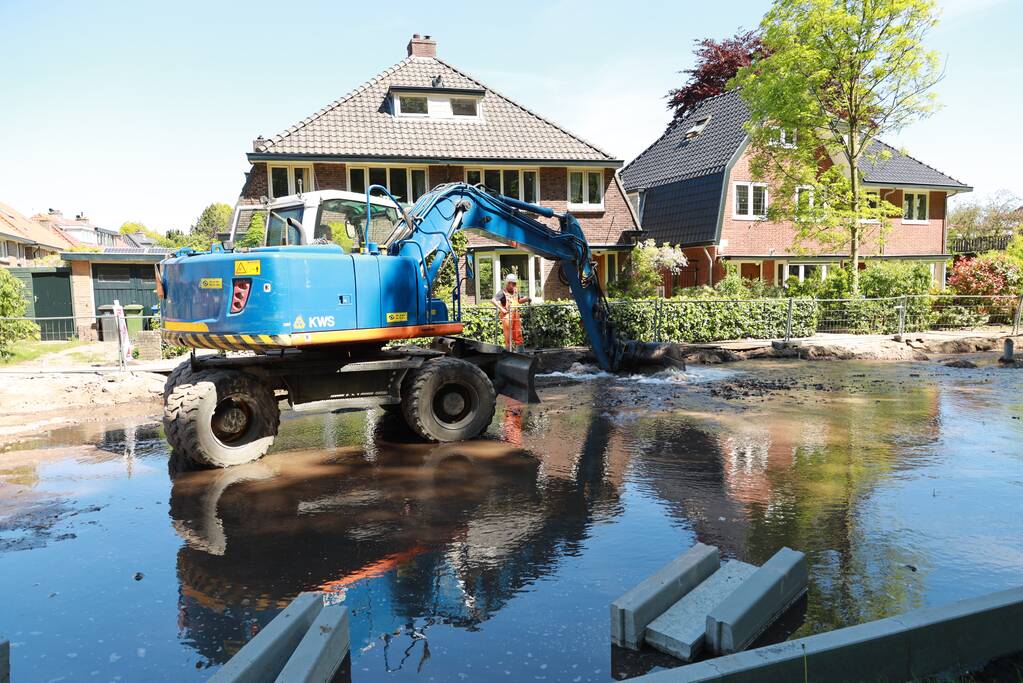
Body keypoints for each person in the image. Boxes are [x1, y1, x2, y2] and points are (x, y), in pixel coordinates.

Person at [492, 273, 530, 350]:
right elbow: (493, 300)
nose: (515, 285)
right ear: (508, 283)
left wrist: (526, 299)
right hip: (507, 316)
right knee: (508, 336)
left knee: (518, 333)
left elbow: (519, 300)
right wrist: (501, 309)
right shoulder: (502, 292)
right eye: (513, 284)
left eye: (515, 284)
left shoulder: (516, 291)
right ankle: (509, 353)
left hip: (516, 315)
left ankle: (521, 353)